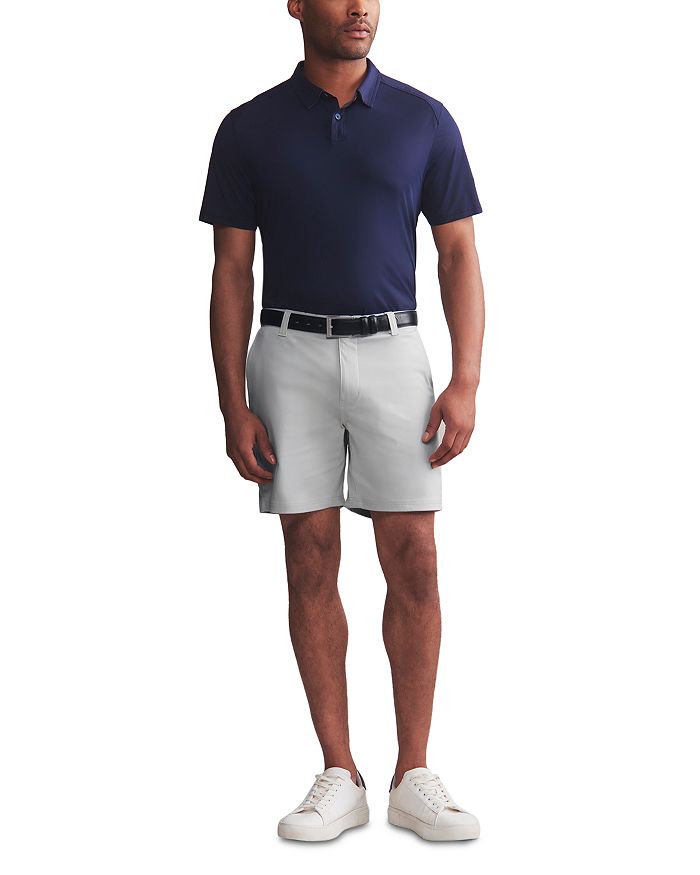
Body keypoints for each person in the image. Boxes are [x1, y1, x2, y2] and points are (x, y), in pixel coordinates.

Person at [199, 0, 485, 843]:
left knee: (415, 556)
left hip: (395, 349)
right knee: (310, 554)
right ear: (295, 4)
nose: (360, 6)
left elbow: (458, 251)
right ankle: (339, 772)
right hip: (287, 351)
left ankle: (414, 773)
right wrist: (231, 401)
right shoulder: (248, 128)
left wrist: (466, 378)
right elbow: (231, 269)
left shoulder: (425, 121)